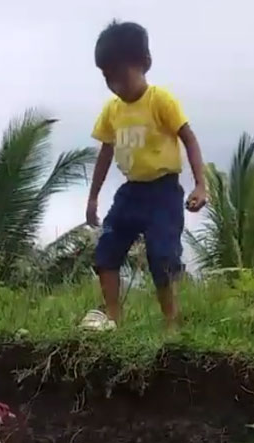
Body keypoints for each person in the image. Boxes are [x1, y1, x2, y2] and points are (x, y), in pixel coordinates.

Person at [82, 21, 207, 330]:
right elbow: (105, 153)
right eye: (108, 78)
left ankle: (171, 323)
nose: (116, 85)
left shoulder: (160, 101)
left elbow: (189, 138)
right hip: (131, 192)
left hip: (164, 192)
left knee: (162, 257)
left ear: (144, 64)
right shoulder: (111, 111)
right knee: (106, 251)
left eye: (121, 75)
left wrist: (200, 185)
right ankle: (112, 316)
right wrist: (93, 197)